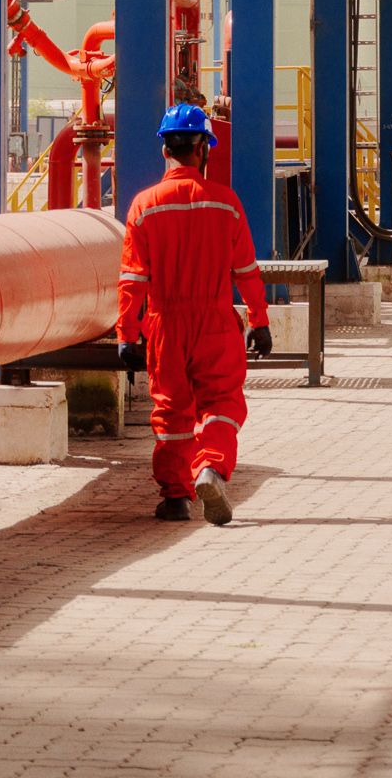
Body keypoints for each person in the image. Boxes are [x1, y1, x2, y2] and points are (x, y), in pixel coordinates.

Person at [115, 102, 273, 526]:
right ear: (204, 148)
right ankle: (211, 468)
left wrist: (127, 334)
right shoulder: (226, 204)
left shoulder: (144, 206)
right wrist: (259, 321)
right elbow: (247, 272)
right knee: (221, 404)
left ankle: (175, 498)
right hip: (216, 323)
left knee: (171, 413)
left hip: (165, 324)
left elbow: (133, 278)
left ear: (165, 150)